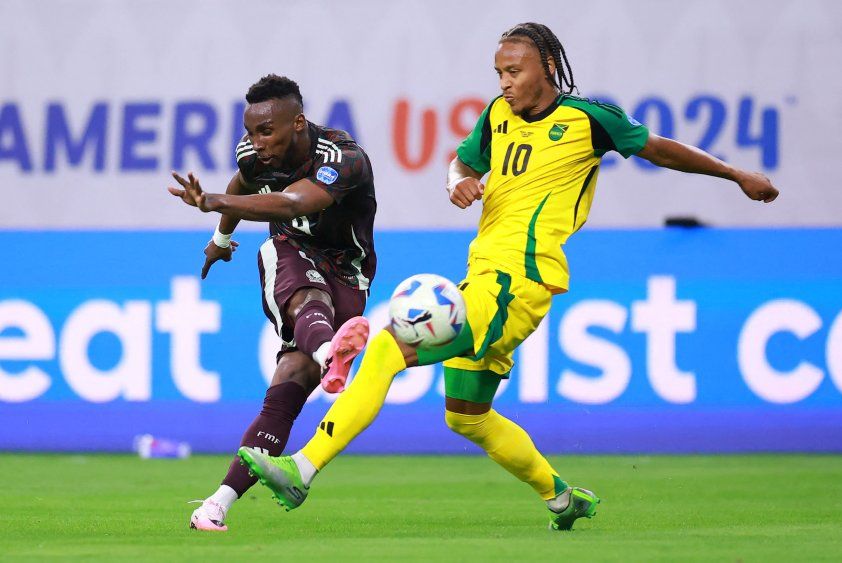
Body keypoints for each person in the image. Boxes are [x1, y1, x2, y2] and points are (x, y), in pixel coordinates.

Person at [239, 23, 780, 531]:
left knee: (385, 350)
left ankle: (303, 469)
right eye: (499, 72)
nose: (505, 83)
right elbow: (463, 161)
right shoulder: (498, 114)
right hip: (483, 276)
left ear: (546, 66)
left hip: (519, 278)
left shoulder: (590, 118)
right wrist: (459, 181)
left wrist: (734, 174)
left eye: (514, 71)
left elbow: (660, 149)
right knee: (468, 416)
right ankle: (564, 499)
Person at [167, 74, 377, 532]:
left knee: (292, 378)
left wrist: (210, 203)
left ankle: (216, 503)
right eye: (249, 132)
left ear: (297, 123)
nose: (255, 142)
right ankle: (330, 352)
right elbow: (243, 183)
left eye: (266, 131)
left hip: (350, 272)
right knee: (306, 295)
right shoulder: (254, 155)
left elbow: (292, 202)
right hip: (290, 252)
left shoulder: (344, 159)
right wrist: (221, 237)